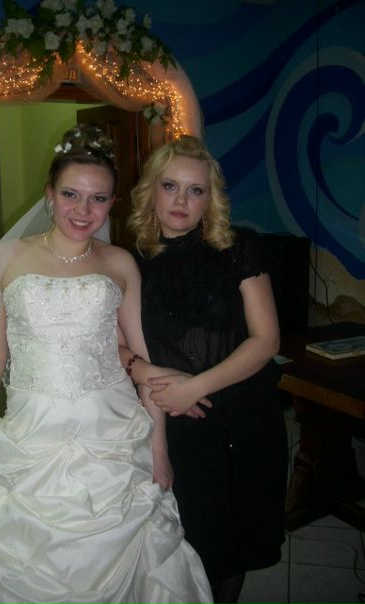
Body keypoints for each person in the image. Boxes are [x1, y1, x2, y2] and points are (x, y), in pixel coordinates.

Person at [0, 125, 213, 604]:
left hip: (112, 432)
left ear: (112, 203)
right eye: (71, 195)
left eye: (98, 199)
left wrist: (159, 449)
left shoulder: (120, 263)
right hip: (31, 432)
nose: (83, 211)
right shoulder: (8, 257)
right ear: (49, 194)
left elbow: (142, 357)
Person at [128, 135, 288, 604]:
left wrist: (194, 386)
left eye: (195, 190)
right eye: (170, 186)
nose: (181, 200)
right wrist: (149, 375)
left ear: (209, 199)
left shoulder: (238, 248)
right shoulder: (129, 262)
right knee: (194, 544)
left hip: (247, 418)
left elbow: (266, 340)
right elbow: (114, 348)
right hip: (178, 425)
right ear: (151, 191)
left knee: (237, 547)